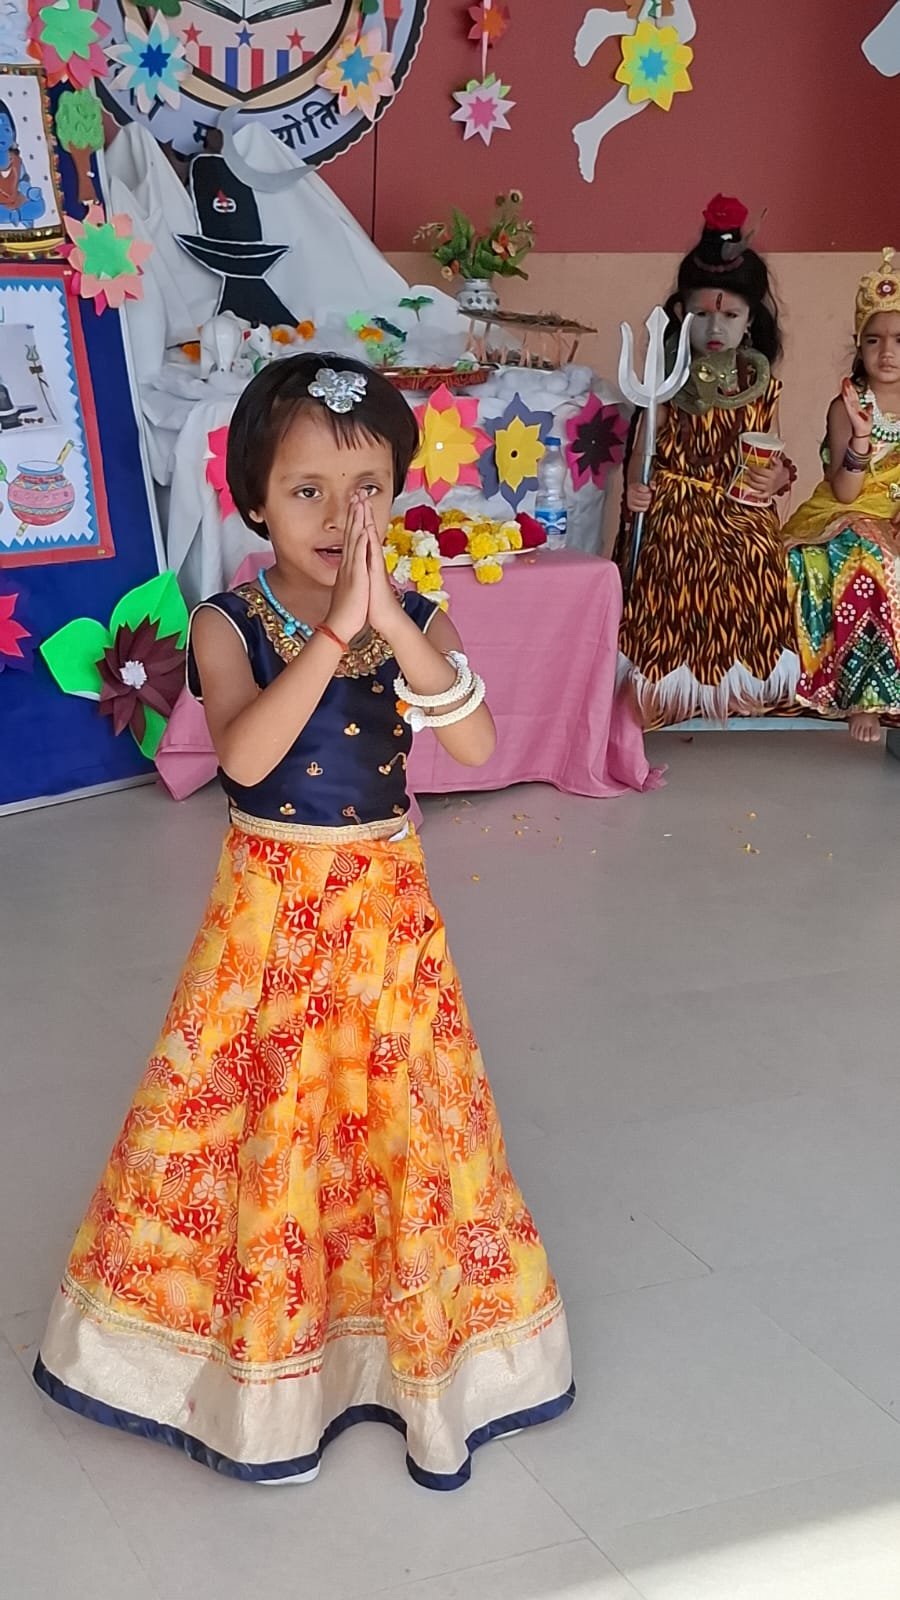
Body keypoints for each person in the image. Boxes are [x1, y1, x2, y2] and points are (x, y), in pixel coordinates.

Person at [33, 354, 574, 1489]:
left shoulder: (416, 614)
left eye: (366, 487)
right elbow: (244, 756)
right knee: (261, 1111)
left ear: (398, 491)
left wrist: (391, 620)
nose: (340, 516)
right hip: (269, 919)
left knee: (400, 1118)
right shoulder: (228, 622)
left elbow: (475, 741)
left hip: (385, 918)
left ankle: (397, 1345)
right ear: (254, 502)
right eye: (307, 491)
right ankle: (261, 1372)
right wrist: (333, 635)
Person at [616, 195, 798, 727]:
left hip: (741, 508)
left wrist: (777, 477)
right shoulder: (664, 384)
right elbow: (641, 455)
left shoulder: (761, 386)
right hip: (676, 502)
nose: (715, 327)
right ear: (681, 315)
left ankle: (737, 682)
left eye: (730, 315)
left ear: (750, 321)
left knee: (757, 555)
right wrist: (635, 489)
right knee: (677, 559)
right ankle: (668, 686)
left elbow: (775, 453)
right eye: (701, 314)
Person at [783, 249, 900, 742]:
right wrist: (861, 437)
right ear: (859, 347)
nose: (886, 352)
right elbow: (847, 490)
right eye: (874, 340)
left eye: (899, 340)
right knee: (859, 557)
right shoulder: (847, 405)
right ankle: (862, 696)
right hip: (844, 511)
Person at [0, 98, 45, 226]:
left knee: (39, 208)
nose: (2, 136)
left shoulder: (16, 161)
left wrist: (26, 194)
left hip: (16, 202)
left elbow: (23, 181)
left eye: (6, 130)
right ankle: (12, 216)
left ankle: (17, 215)